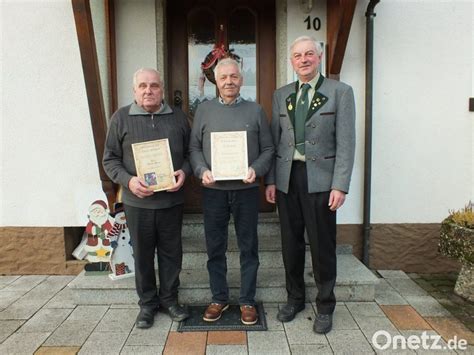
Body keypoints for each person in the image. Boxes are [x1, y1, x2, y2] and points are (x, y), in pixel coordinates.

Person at [265, 36, 355, 334]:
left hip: (321, 180)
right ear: (291, 61)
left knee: (322, 246)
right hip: (287, 178)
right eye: (297, 56)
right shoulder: (281, 95)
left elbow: (346, 143)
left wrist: (340, 185)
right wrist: (271, 181)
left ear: (319, 58)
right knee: (290, 244)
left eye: (309, 55)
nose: (303, 60)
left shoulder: (340, 92)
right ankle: (295, 299)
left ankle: (326, 305)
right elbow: (275, 142)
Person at [103, 68, 191, 328]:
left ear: (162, 90)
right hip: (137, 202)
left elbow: (190, 154)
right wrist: (129, 180)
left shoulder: (178, 118)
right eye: (143, 86)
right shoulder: (121, 118)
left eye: (153, 86)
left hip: (171, 202)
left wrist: (184, 173)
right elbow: (110, 159)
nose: (148, 90)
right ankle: (147, 305)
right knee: (142, 255)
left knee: (171, 254)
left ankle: (169, 300)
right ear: (135, 91)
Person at [189, 58, 274, 325]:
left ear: (241, 79)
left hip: (246, 190)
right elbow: (193, 149)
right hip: (214, 191)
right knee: (215, 247)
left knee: (249, 247)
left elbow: (268, 149)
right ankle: (219, 298)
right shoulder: (204, 110)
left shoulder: (256, 110)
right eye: (223, 77)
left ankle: (247, 300)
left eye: (234, 76)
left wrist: (256, 169)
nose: (229, 82)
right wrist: (201, 169)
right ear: (216, 80)